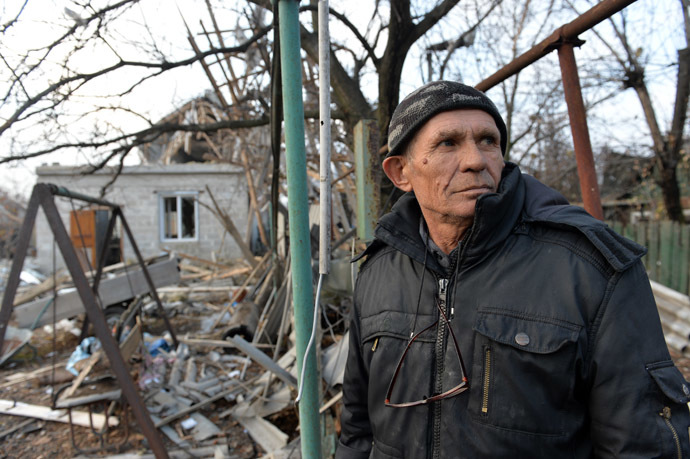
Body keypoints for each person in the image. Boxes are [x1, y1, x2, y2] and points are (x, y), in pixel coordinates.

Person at [336, 80, 690, 458]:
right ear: (400, 172)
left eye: (488, 141)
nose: (475, 160)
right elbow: (357, 429)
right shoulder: (379, 269)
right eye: (448, 143)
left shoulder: (587, 268)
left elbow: (643, 445)